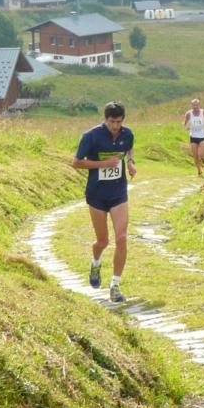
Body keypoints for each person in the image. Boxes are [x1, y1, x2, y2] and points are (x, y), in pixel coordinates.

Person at [72, 101, 137, 302]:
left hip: (118, 193)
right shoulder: (91, 136)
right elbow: (76, 162)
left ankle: (115, 286)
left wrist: (131, 164)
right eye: (111, 122)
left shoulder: (128, 135)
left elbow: (129, 151)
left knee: (122, 237)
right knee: (103, 241)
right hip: (97, 195)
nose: (115, 126)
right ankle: (95, 262)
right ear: (105, 119)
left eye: (118, 122)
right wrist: (104, 164)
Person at [184, 98, 204, 176]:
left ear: (199, 105)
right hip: (193, 136)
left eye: (197, 105)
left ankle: (203, 158)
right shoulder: (188, 113)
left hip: (202, 135)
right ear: (191, 105)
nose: (195, 106)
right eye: (193, 105)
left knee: (200, 154)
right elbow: (185, 123)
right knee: (195, 156)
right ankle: (199, 171)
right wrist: (186, 127)